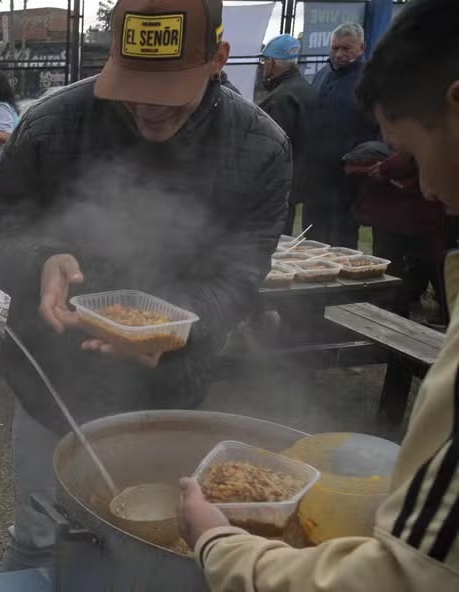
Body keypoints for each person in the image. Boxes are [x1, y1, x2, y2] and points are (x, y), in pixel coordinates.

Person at [0, 0, 290, 571]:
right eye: (132, 83)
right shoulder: (53, 123)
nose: (148, 105)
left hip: (169, 390)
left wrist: (180, 335)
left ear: (218, 58)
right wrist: (41, 260)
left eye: (169, 88)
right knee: (37, 537)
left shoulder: (259, 147)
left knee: (152, 542)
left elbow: (242, 275)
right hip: (54, 382)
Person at [180, 1, 459, 589]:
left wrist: (219, 544)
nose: (426, 185)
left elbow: (410, 574)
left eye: (412, 151)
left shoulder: (263, 135)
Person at [345, 144, 448, 324]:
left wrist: (386, 169)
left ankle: (394, 312)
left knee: (409, 259)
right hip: (421, 211)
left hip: (419, 212)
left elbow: (414, 153)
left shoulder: (429, 133)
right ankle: (401, 306)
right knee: (426, 259)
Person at [304, 23, 379, 248]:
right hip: (317, 173)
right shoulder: (322, 74)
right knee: (311, 232)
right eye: (335, 48)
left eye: (346, 48)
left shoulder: (371, 81)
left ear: (362, 47)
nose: (339, 54)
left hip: (348, 177)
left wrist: (360, 161)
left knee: (341, 237)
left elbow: (378, 128)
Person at [258, 34, 318, 235]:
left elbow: (272, 148)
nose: (263, 65)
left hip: (276, 184)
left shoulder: (281, 98)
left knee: (273, 239)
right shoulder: (307, 90)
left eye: (265, 60)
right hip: (298, 178)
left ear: (273, 62)